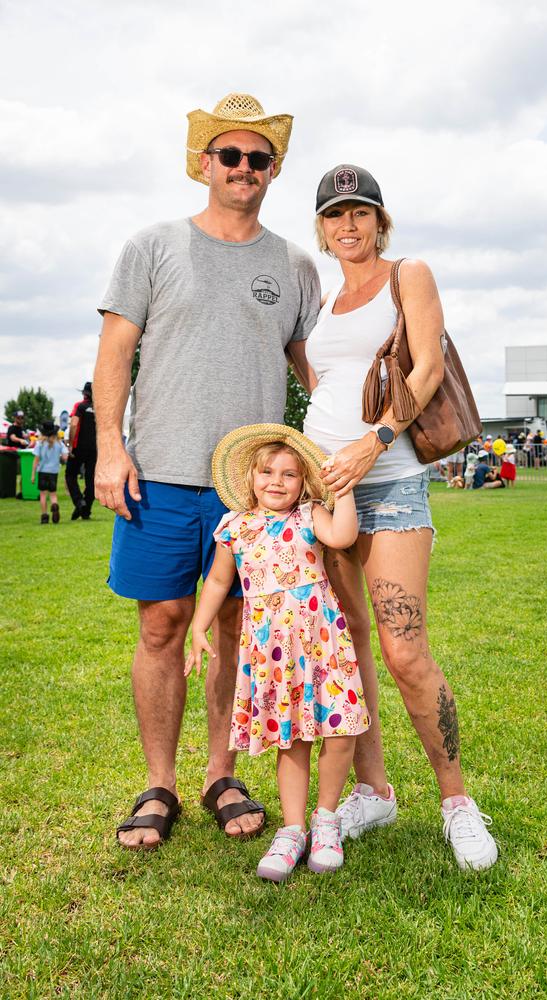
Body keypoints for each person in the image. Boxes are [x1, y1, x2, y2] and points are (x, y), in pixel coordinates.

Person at [94, 92, 321, 849]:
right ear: (203, 164)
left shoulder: (292, 264)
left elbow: (314, 368)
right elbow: (114, 353)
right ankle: (159, 782)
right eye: (230, 156)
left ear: (274, 170)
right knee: (161, 625)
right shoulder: (151, 246)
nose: (244, 169)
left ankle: (220, 771)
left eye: (260, 159)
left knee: (233, 627)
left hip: (251, 491)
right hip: (156, 474)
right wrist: (110, 447)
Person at [299, 163, 498, 871]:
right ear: (321, 229)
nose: (348, 225)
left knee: (403, 648)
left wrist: (373, 440)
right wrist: (315, 453)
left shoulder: (406, 273)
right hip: (322, 491)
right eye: (334, 215)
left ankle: (457, 803)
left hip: (389, 483)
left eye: (360, 212)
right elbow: (320, 381)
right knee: (345, 648)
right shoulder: (322, 302)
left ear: (380, 221)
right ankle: (373, 791)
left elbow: (426, 370)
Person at [184, 425, 369, 881]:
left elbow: (343, 536)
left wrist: (340, 489)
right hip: (273, 648)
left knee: (340, 728)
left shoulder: (310, 516)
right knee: (293, 736)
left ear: (304, 483)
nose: (276, 481)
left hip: (321, 639)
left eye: (289, 474)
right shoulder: (235, 527)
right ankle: (292, 830)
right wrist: (198, 626)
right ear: (250, 478)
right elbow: (219, 582)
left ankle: (326, 821)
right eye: (266, 471)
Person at [65, 381, 97, 520]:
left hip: (78, 447)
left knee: (70, 475)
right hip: (94, 448)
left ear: (84, 393)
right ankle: (86, 510)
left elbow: (73, 424)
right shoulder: (99, 408)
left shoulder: (80, 406)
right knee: (91, 480)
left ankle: (79, 502)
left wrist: (70, 444)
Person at [31, 420, 67, 523]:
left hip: (42, 471)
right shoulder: (59, 443)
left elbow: (36, 460)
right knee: (53, 494)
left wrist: (33, 474)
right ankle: (54, 505)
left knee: (43, 495)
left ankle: (44, 516)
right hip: (54, 472)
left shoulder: (40, 444)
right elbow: (65, 456)